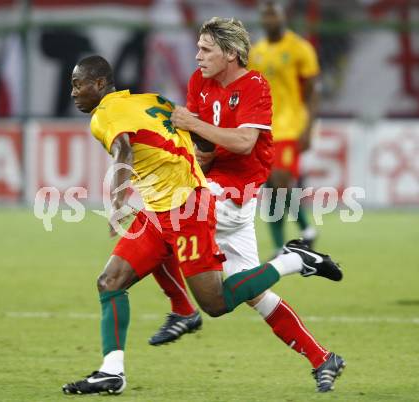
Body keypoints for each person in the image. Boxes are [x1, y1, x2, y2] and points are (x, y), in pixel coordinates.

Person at [63, 54, 342, 395]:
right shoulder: (153, 100)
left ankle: (294, 260)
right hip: (165, 208)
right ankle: (113, 371)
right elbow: (199, 139)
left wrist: (119, 200)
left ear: (100, 84)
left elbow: (123, 150)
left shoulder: (104, 115)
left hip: (189, 208)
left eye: (78, 85)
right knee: (110, 281)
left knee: (218, 303)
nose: (74, 92)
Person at [149, 17, 345, 393]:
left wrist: (193, 124)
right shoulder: (198, 83)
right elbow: (202, 147)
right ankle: (323, 358)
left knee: (157, 222)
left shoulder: (255, 85)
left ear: (231, 54)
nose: (197, 56)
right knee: (247, 296)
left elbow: (242, 143)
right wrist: (193, 148)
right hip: (215, 188)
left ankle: (181, 311)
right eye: (198, 48)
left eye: (206, 49)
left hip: (234, 193)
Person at [248, 1, 320, 252]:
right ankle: (282, 245)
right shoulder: (255, 53)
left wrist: (309, 127)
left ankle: (307, 229)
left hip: (291, 125)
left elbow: (312, 92)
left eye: (273, 15)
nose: (269, 20)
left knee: (280, 181)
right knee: (271, 187)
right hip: (264, 128)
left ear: (282, 17)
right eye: (265, 16)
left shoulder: (300, 48)